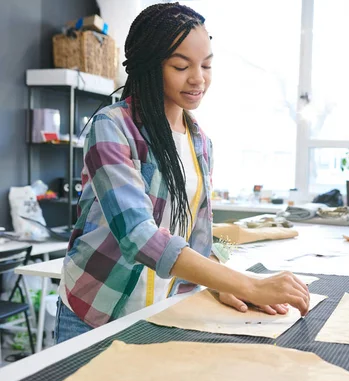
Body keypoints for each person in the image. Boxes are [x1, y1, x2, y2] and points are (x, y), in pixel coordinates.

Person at [55, 3, 309, 344]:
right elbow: (138, 235)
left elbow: (202, 234)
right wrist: (251, 285)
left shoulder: (200, 142)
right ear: (149, 66)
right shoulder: (112, 127)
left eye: (206, 65)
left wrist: (224, 279)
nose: (198, 78)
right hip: (95, 312)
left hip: (161, 314)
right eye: (181, 66)